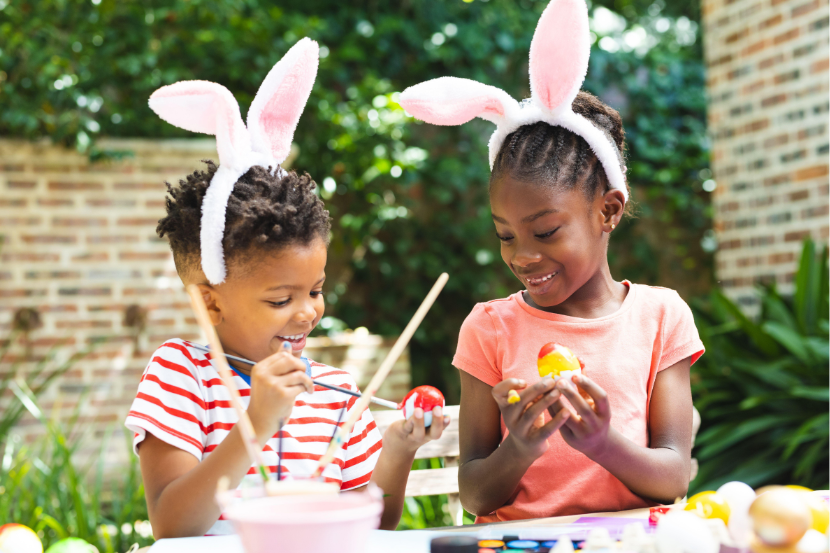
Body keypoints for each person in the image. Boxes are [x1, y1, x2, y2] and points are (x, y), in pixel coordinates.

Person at [125, 39, 449, 538]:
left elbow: (376, 520)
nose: (307, 313)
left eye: (315, 290)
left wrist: (400, 449)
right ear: (209, 302)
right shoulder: (181, 375)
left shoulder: (336, 391)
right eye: (281, 299)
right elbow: (172, 525)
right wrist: (256, 420)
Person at [400, 0, 703, 522]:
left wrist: (602, 443)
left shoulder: (661, 317)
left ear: (608, 210)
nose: (522, 255)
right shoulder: (490, 328)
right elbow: (474, 495)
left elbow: (673, 478)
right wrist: (520, 447)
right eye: (505, 235)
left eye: (545, 231)